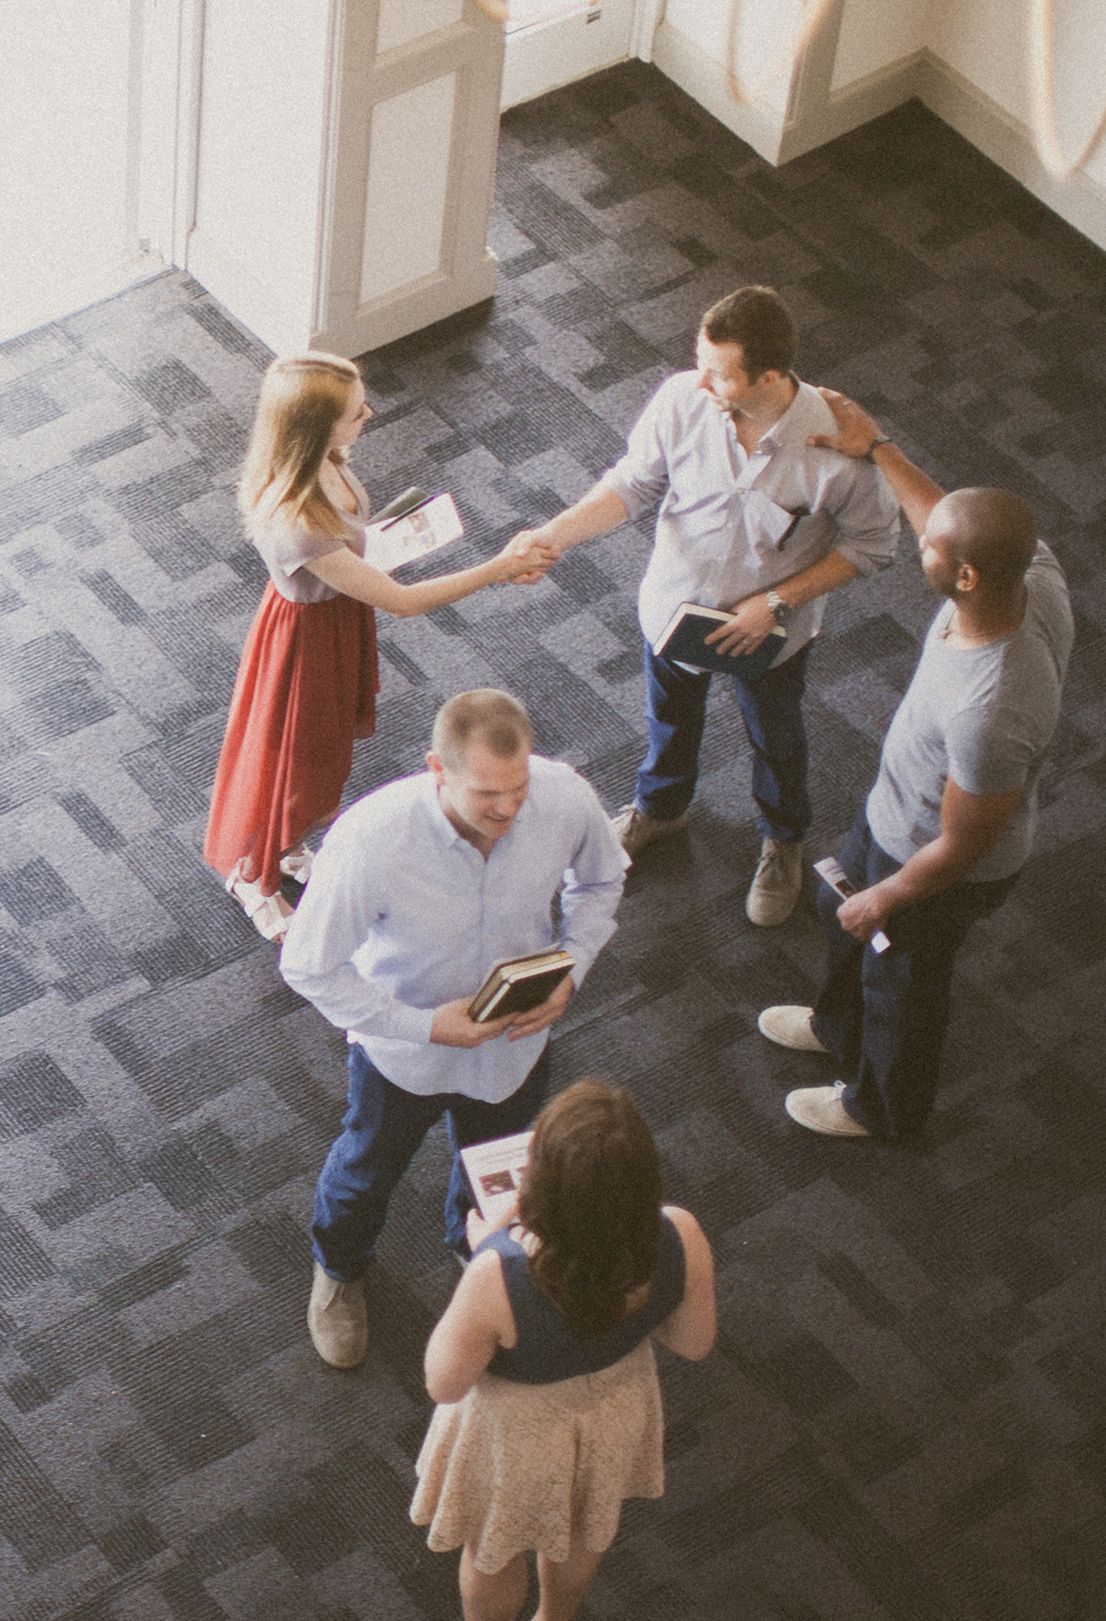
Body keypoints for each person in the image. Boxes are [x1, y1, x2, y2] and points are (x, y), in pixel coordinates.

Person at [523, 286, 902, 927]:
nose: (699, 381)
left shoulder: (839, 446)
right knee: (669, 718)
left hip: (769, 633)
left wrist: (776, 602)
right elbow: (633, 482)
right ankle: (661, 809)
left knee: (775, 737)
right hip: (673, 609)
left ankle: (782, 838)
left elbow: (875, 545)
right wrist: (553, 535)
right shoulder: (683, 397)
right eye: (699, 361)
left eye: (718, 372)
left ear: (769, 377)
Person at [755, 390, 1072, 1139]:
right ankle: (837, 1028)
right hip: (895, 811)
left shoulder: (989, 710)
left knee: (902, 979)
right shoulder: (1031, 570)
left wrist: (888, 897)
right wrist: (879, 448)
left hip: (934, 859)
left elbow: (965, 844)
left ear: (966, 579)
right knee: (839, 917)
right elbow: (945, 520)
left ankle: (882, 1109)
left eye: (931, 548)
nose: (918, 542)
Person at [280, 689, 625, 1368]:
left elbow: (602, 882)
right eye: (487, 794)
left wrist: (573, 967)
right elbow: (308, 966)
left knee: (499, 1168)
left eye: (518, 788)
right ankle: (340, 1269)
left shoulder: (563, 796)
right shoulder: (371, 842)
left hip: (515, 1045)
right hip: (404, 1055)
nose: (508, 809)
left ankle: (478, 1251)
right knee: (368, 1169)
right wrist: (423, 1027)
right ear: (437, 769)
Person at [206, 353, 554, 939]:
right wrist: (499, 567)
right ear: (315, 428)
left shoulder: (323, 461)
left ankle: (286, 847)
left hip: (335, 620)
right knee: (294, 763)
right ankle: (252, 876)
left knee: (322, 754)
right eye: (354, 411)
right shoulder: (297, 521)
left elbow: (358, 553)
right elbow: (403, 602)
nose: (369, 413)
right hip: (307, 644)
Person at [412, 1080, 717, 1621]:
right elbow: (693, 1342)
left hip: (517, 1434)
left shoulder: (499, 1275)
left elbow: (443, 1381)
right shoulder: (679, 1231)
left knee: (494, 1550)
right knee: (582, 1532)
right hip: (612, 1410)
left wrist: (487, 1249)